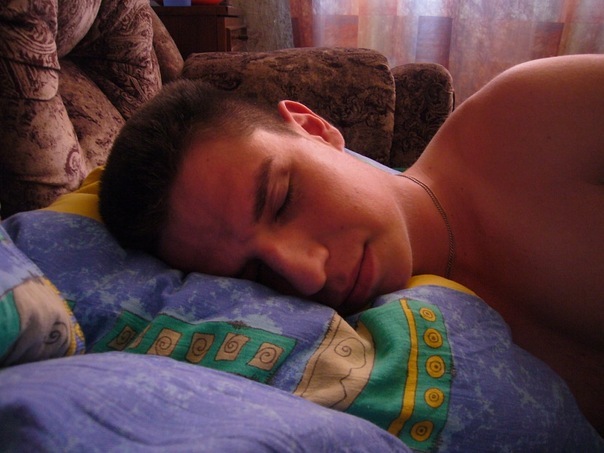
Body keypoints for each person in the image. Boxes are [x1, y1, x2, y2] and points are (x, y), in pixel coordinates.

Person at [99, 54, 604, 434]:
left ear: (314, 128)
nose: (305, 274)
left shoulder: (528, 118)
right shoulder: (368, 356)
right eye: (253, 274)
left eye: (282, 200)